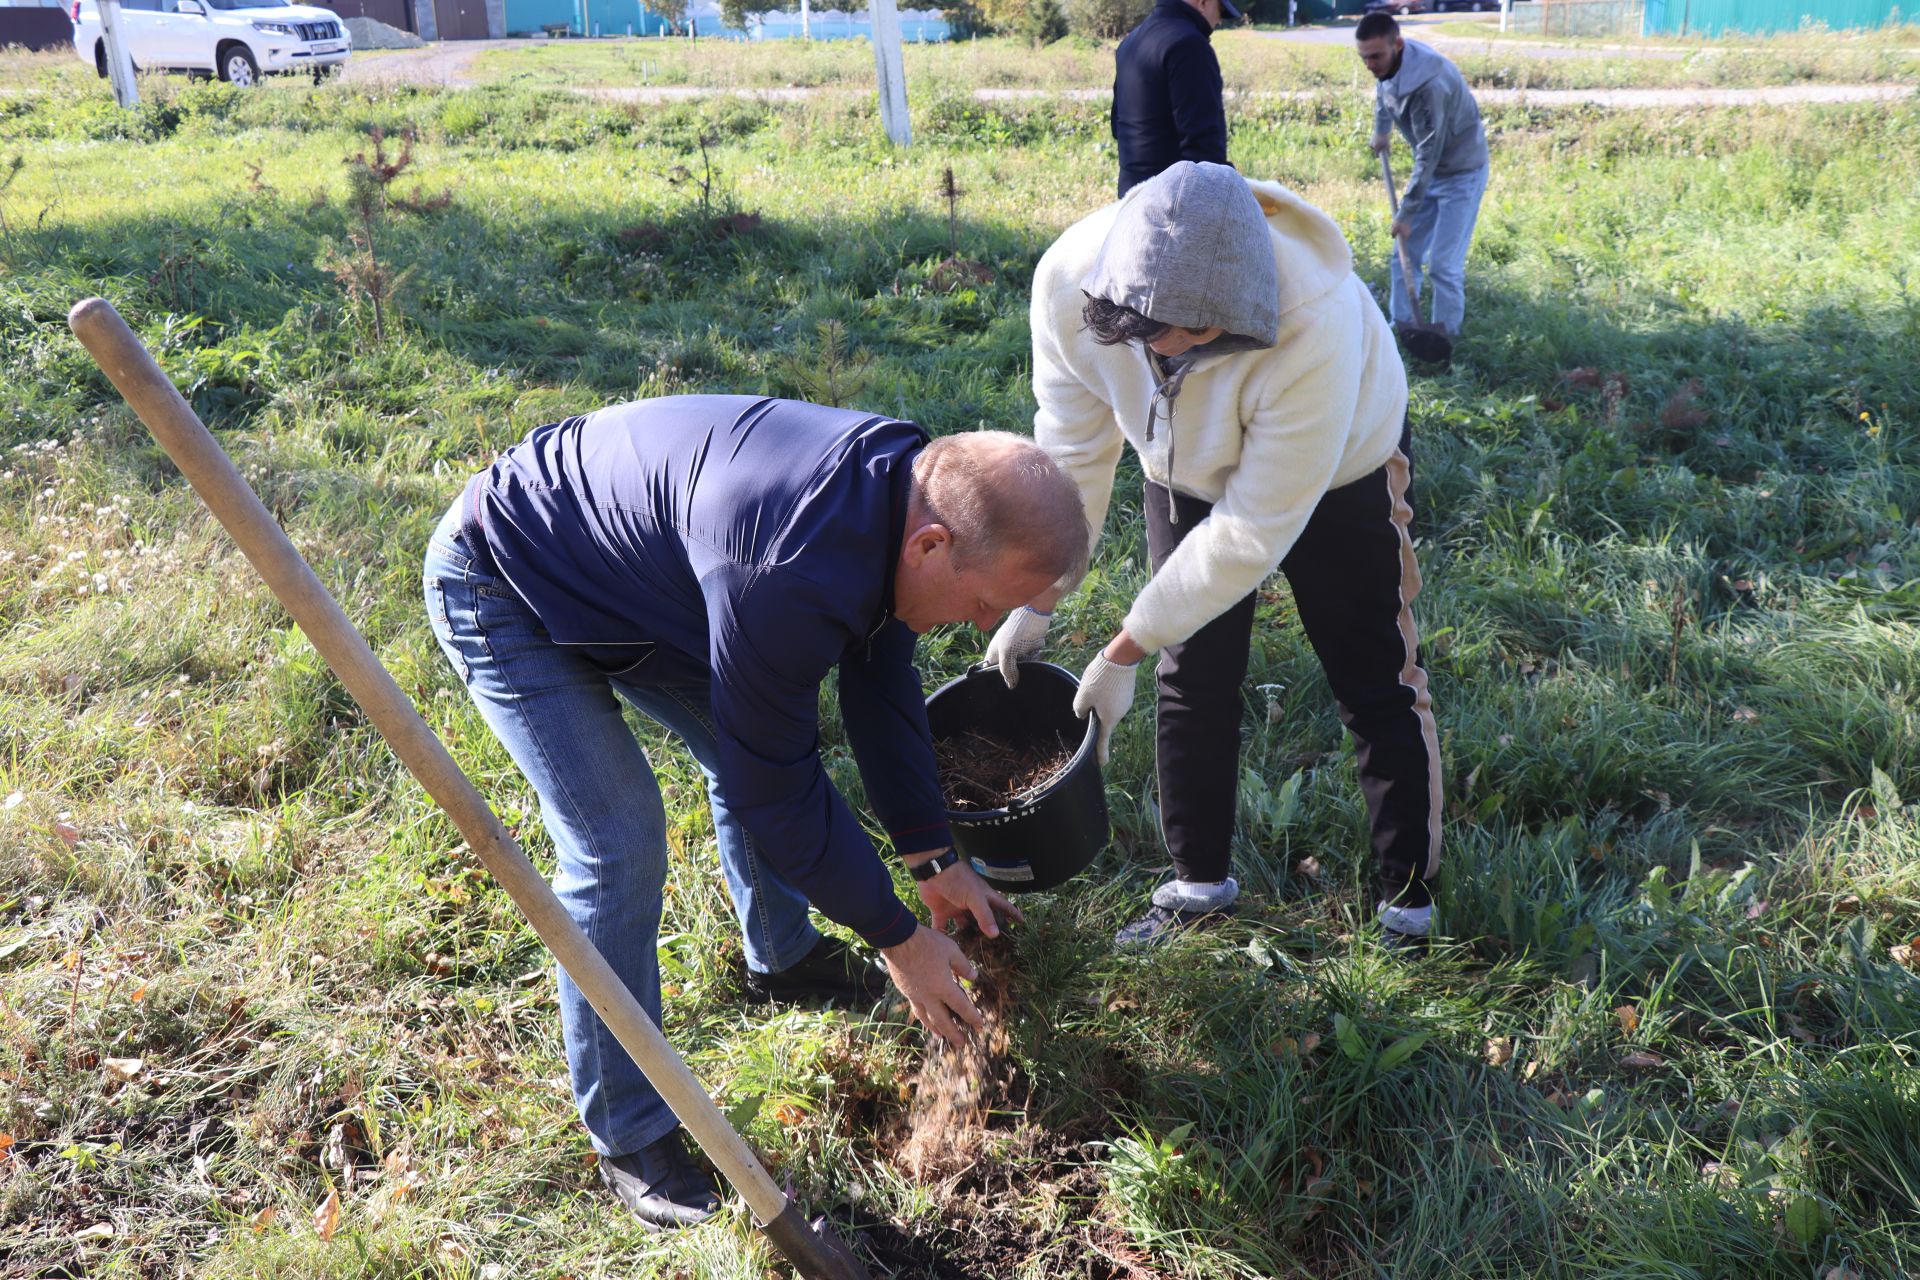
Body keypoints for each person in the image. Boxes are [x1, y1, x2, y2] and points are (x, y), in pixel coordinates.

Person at [423, 396, 1088, 1228]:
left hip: (640, 588)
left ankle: (782, 958)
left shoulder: (909, 491)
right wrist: (893, 937)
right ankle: (630, 1133)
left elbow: (879, 676)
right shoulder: (788, 570)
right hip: (506, 578)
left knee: (755, 740)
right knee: (618, 844)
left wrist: (932, 858)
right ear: (931, 545)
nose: (986, 624)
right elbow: (776, 786)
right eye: (991, 601)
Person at [990, 161, 1442, 952]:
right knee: (1192, 673)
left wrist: (1124, 644)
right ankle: (1196, 888)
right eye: (1170, 336)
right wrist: (1040, 596)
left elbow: (1250, 534)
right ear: (1114, 305)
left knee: (1373, 672)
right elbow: (1072, 453)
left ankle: (1409, 898)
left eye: (1209, 336)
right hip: (1180, 467)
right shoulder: (1067, 279)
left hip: (1343, 467)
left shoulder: (1313, 318)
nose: (1189, 348)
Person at [1356, 12, 1490, 340]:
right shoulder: (1390, 62)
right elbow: (1382, 87)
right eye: (1364, 57)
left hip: (1461, 172)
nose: (1370, 65)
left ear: (1397, 45)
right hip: (1431, 173)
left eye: (1376, 56)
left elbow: (1429, 153)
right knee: (1404, 253)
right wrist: (1382, 130)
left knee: (1443, 265)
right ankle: (1401, 329)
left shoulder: (1429, 83)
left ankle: (1444, 336)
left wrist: (1406, 212)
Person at [1110, 0, 1241, 198]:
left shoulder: (1130, 42)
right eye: (1220, 10)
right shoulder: (1190, 45)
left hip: (1129, 200)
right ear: (1203, 2)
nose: (1220, 21)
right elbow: (1206, 151)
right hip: (1172, 206)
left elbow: (1117, 127)